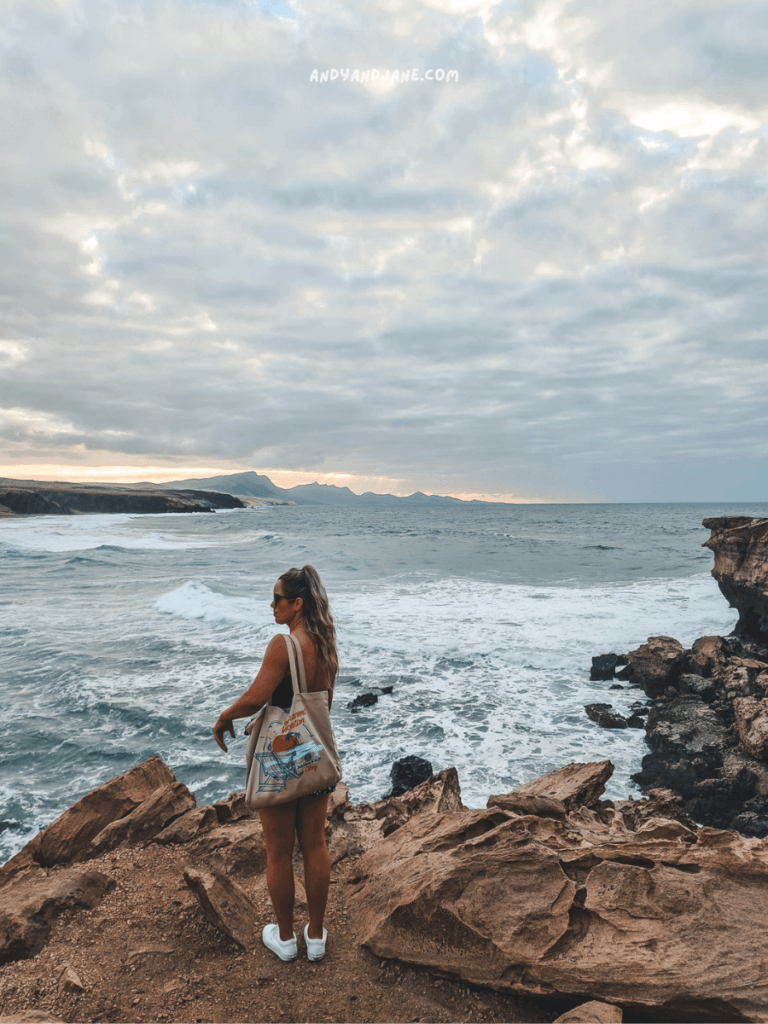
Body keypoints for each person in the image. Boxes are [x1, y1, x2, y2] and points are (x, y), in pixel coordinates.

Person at [212, 565, 338, 963]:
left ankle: (285, 939)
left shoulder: (284, 645)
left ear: (296, 604)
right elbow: (324, 704)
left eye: (277, 599)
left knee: (278, 851)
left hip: (280, 761)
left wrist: (224, 716)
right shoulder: (325, 643)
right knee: (315, 845)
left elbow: (256, 697)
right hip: (314, 756)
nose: (272, 606)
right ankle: (315, 937)